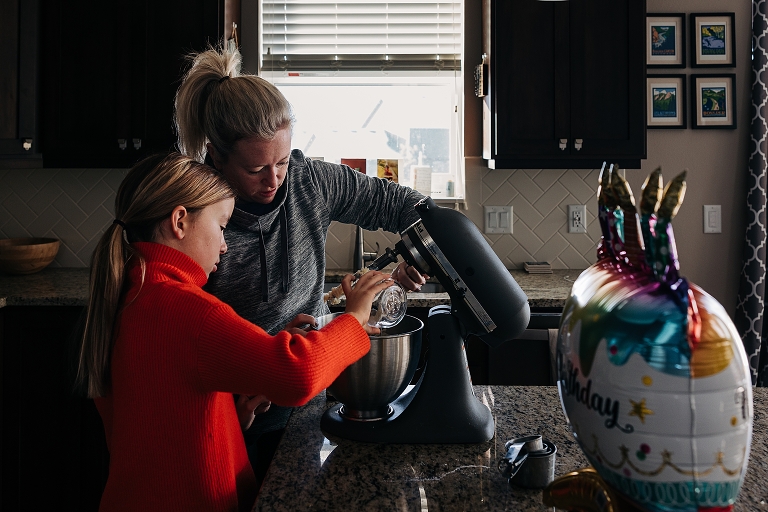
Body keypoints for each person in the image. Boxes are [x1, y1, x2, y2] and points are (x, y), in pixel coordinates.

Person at [75, 152, 393, 512]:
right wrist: (354, 317)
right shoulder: (186, 308)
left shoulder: (132, 294)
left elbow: (160, 424)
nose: (224, 245)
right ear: (180, 221)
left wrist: (230, 417)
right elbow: (297, 376)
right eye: (222, 226)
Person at [173, 44, 429, 481]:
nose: (274, 180)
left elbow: (401, 203)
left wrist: (417, 248)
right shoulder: (194, 215)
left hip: (308, 404)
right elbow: (182, 332)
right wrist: (249, 377)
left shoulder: (310, 180)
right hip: (229, 415)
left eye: (281, 161)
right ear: (216, 157)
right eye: (256, 169)